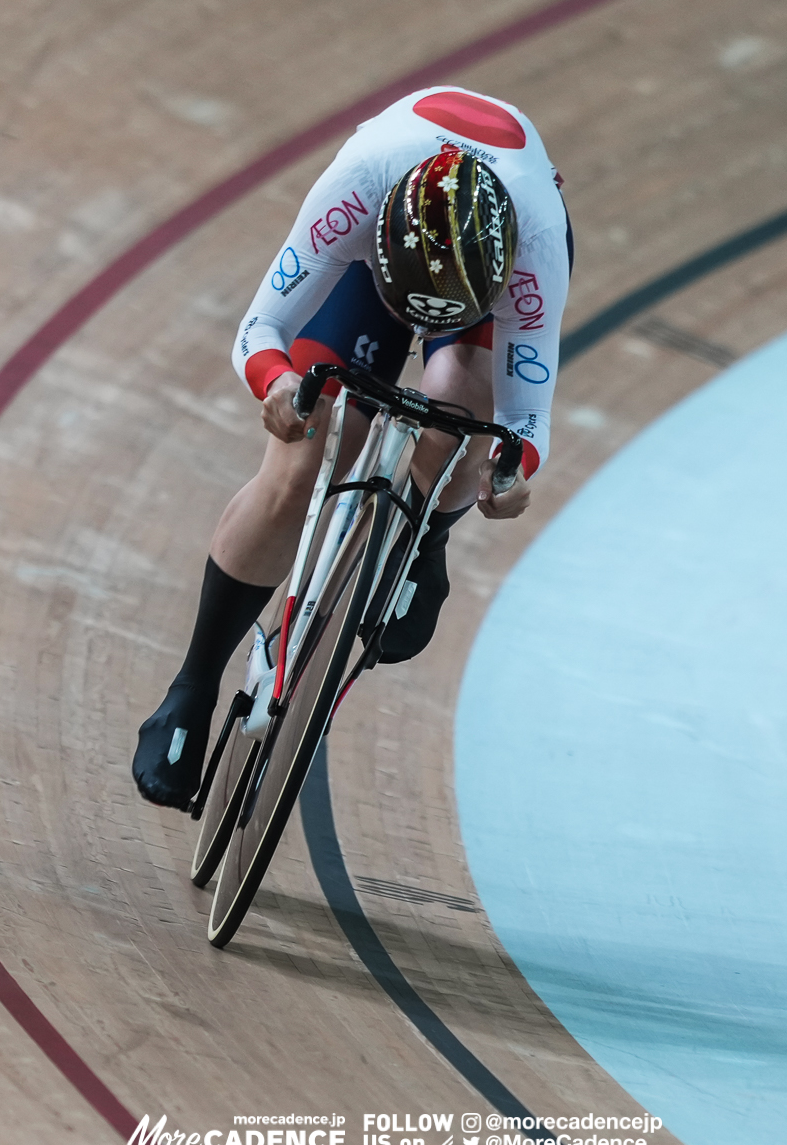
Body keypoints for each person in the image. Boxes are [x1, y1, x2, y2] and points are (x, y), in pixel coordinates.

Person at [132, 86, 571, 809]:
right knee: (303, 458)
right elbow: (258, 330)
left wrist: (510, 471)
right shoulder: (357, 189)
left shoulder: (535, 250)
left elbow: (527, 417)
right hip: (377, 262)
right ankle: (192, 684)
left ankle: (424, 535)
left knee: (462, 413)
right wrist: (276, 386)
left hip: (477, 284)